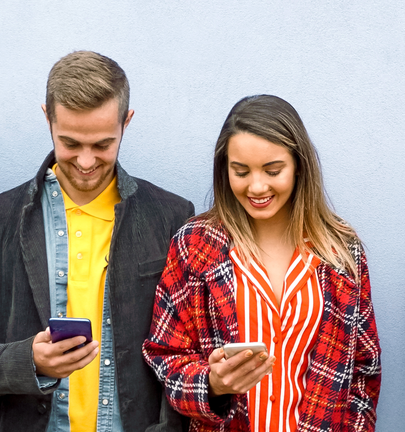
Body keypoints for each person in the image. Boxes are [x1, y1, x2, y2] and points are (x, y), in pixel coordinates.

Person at [0, 50, 195, 432]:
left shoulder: (172, 217)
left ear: (126, 123)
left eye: (102, 144)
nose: (85, 161)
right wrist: (29, 361)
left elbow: (186, 349)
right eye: (70, 143)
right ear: (47, 118)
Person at [142, 95, 382, 431]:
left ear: (299, 165)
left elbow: (363, 370)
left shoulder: (342, 252)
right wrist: (212, 385)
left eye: (273, 170)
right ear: (224, 169)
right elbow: (165, 355)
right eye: (241, 171)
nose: (257, 186)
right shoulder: (196, 245)